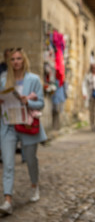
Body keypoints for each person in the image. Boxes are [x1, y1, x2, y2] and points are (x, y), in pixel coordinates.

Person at [0, 48, 47, 215]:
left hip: (27, 124)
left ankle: (34, 185)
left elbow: (41, 103)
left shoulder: (33, 79)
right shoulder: (3, 79)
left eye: (19, 58)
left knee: (31, 159)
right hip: (8, 125)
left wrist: (27, 101)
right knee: (8, 163)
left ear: (24, 60)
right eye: (12, 59)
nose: (16, 62)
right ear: (9, 62)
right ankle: (7, 201)